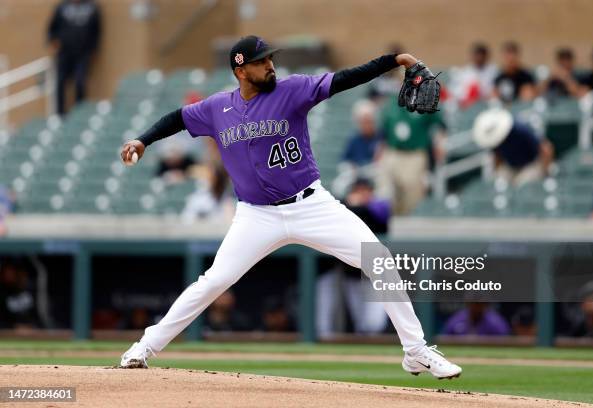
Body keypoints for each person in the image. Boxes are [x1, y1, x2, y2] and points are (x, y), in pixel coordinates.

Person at [118, 35, 461, 379]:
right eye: (261, 61)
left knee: (379, 259)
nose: (270, 65)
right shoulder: (216, 108)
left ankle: (416, 351)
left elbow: (345, 79)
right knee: (212, 282)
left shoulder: (292, 89)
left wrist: (394, 60)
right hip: (256, 215)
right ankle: (144, 348)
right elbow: (177, 118)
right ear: (240, 69)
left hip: (311, 205)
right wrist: (142, 139)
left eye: (271, 59)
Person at [316, 178, 390, 338]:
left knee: (373, 323)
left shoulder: (378, 207)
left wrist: (357, 205)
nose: (362, 194)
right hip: (352, 275)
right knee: (362, 324)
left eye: (366, 190)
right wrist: (350, 204)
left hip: (375, 275)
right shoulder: (342, 208)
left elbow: (381, 213)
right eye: (359, 190)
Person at [376, 97, 446, 214]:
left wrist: (440, 143)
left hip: (415, 154)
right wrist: (380, 149)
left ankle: (404, 219)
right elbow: (384, 129)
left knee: (411, 192)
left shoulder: (424, 100)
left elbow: (440, 125)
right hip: (393, 152)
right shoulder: (392, 101)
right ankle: (388, 219)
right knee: (385, 190)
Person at [473, 108, 554, 186]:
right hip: (510, 166)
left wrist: (546, 172)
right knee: (498, 182)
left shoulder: (519, 130)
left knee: (524, 184)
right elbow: (497, 157)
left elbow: (546, 148)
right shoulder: (494, 142)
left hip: (531, 164)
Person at [47, 0, 101, 115]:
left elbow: (97, 32)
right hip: (64, 53)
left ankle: (79, 113)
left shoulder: (92, 9)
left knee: (80, 82)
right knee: (60, 82)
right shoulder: (61, 8)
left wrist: (93, 50)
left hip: (83, 54)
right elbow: (51, 29)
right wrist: (53, 42)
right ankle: (60, 114)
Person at [449, 43, 498, 109]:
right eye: (477, 55)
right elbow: (458, 92)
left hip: (486, 105)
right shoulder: (466, 72)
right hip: (468, 106)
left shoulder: (493, 71)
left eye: (481, 55)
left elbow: (492, 91)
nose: (479, 58)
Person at [341, 100, 382, 167]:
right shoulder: (354, 139)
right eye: (363, 122)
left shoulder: (381, 137)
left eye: (369, 121)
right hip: (358, 173)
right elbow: (344, 160)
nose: (366, 125)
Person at [442, 303, 511, 336]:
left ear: (486, 304)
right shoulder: (457, 319)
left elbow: (506, 342)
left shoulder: (496, 322)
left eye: (480, 304)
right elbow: (443, 339)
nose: (477, 307)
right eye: (474, 303)